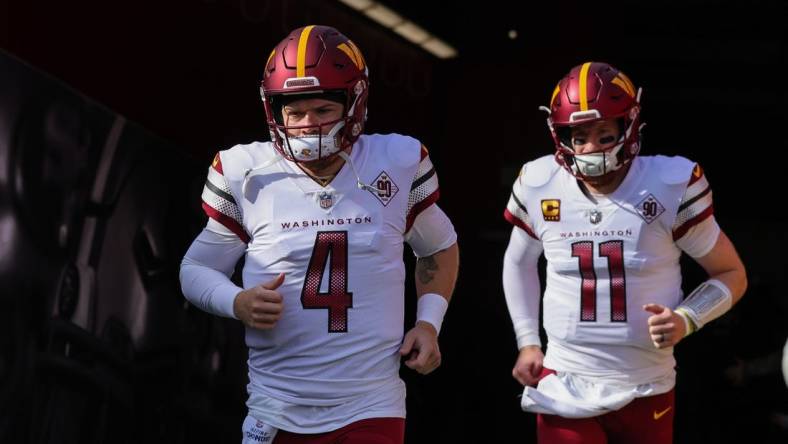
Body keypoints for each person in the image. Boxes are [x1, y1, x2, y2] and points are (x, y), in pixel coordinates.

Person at [180, 25, 459, 444]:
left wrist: (429, 323)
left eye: (323, 110)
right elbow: (196, 267)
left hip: (370, 405)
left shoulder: (395, 162)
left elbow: (438, 246)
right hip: (274, 405)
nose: (308, 125)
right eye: (295, 112)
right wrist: (235, 301)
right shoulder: (247, 171)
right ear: (274, 110)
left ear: (355, 103)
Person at [501, 61, 747, 443]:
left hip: (646, 383)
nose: (590, 148)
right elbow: (518, 262)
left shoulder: (668, 185)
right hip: (566, 380)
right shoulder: (540, 183)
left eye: (602, 133)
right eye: (579, 136)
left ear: (628, 126)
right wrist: (528, 340)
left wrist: (686, 319)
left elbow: (732, 274)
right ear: (559, 135)